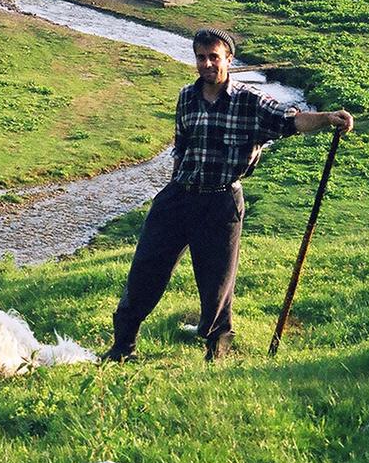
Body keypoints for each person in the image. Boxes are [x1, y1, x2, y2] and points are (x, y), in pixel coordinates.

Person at [103, 27, 353, 362]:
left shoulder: (250, 102)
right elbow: (182, 145)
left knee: (216, 284)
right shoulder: (186, 96)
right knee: (146, 270)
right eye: (201, 57)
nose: (207, 64)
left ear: (228, 59)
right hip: (178, 196)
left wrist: (326, 119)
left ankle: (216, 354)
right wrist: (176, 180)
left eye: (214, 57)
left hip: (220, 203)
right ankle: (122, 349)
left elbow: (291, 120)